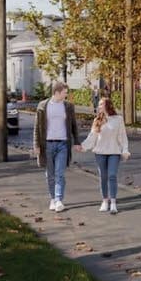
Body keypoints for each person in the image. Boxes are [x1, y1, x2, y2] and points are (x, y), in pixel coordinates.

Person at [33, 82, 81, 213]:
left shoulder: (68, 106)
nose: (66, 95)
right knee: (50, 174)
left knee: (60, 173)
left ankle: (59, 199)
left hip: (62, 144)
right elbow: (37, 127)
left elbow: (73, 126)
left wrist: (77, 141)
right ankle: (53, 198)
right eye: (65, 92)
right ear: (57, 92)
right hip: (47, 144)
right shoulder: (43, 106)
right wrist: (36, 145)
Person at [79, 95, 131, 214]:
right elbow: (92, 137)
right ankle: (105, 201)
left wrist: (125, 150)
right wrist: (83, 146)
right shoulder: (97, 120)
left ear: (107, 105)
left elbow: (122, 136)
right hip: (100, 153)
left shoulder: (118, 119)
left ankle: (113, 203)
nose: (99, 106)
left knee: (112, 175)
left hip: (114, 152)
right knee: (103, 176)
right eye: (99, 105)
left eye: (101, 104)